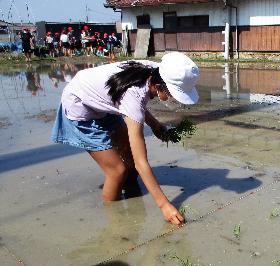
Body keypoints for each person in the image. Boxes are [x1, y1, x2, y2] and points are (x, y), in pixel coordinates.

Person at [51, 52, 199, 225]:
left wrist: (155, 125)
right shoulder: (134, 95)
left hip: (107, 101)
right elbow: (141, 161)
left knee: (129, 160)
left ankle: (131, 194)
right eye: (173, 94)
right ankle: (116, 223)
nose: (173, 98)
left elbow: (134, 102)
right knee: (117, 171)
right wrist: (164, 205)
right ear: (159, 86)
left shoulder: (155, 70)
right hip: (80, 104)